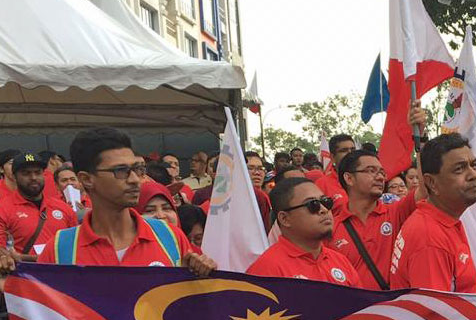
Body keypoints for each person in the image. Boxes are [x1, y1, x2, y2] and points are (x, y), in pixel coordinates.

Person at [38, 128, 214, 273]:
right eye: (121, 171)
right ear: (86, 179)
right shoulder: (60, 249)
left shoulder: (169, 237)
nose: (135, 179)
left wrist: (204, 275)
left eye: (137, 169)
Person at [390, 133, 476, 292]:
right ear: (432, 183)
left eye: (473, 165)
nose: (473, 175)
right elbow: (433, 314)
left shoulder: (440, 222)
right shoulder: (430, 238)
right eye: (459, 169)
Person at [330, 150, 420, 290]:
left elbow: (427, 189)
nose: (380, 178)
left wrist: (420, 144)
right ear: (349, 178)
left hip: (391, 309)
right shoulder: (331, 228)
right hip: (354, 310)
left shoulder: (395, 212)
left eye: (382, 173)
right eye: (371, 171)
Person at [247, 178, 360, 286]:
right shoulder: (266, 270)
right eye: (313, 204)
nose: (324, 210)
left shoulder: (340, 261)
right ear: (285, 219)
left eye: (326, 202)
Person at [0, 152, 78, 261]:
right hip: (24, 276)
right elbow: (2, 254)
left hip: (61, 275)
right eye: (26, 173)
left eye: (38, 172)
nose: (33, 177)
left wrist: (24, 258)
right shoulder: (3, 209)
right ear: (14, 177)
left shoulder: (63, 208)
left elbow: (76, 248)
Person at [315, 134, 357, 211]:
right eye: (344, 150)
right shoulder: (321, 184)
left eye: (353, 150)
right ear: (332, 157)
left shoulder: (365, 179)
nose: (350, 154)